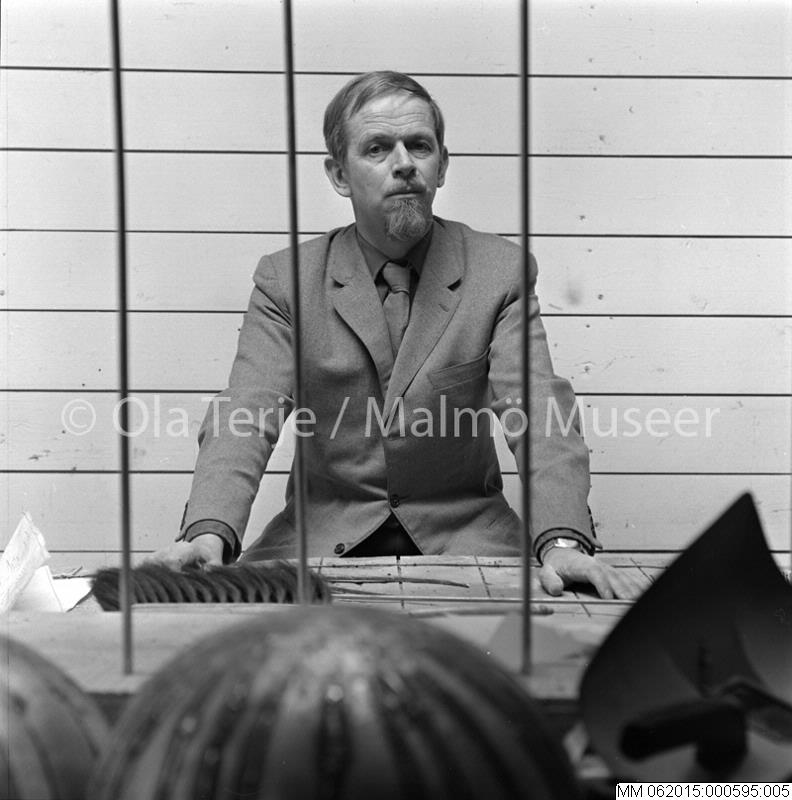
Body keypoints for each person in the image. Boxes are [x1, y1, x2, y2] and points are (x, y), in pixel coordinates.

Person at [158, 71, 640, 600]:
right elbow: (247, 411)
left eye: (419, 146)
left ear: (442, 165)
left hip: (465, 532)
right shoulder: (286, 280)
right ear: (339, 175)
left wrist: (563, 542)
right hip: (320, 533)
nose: (404, 162)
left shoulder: (499, 271)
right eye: (377, 148)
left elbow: (539, 409)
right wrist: (208, 533)